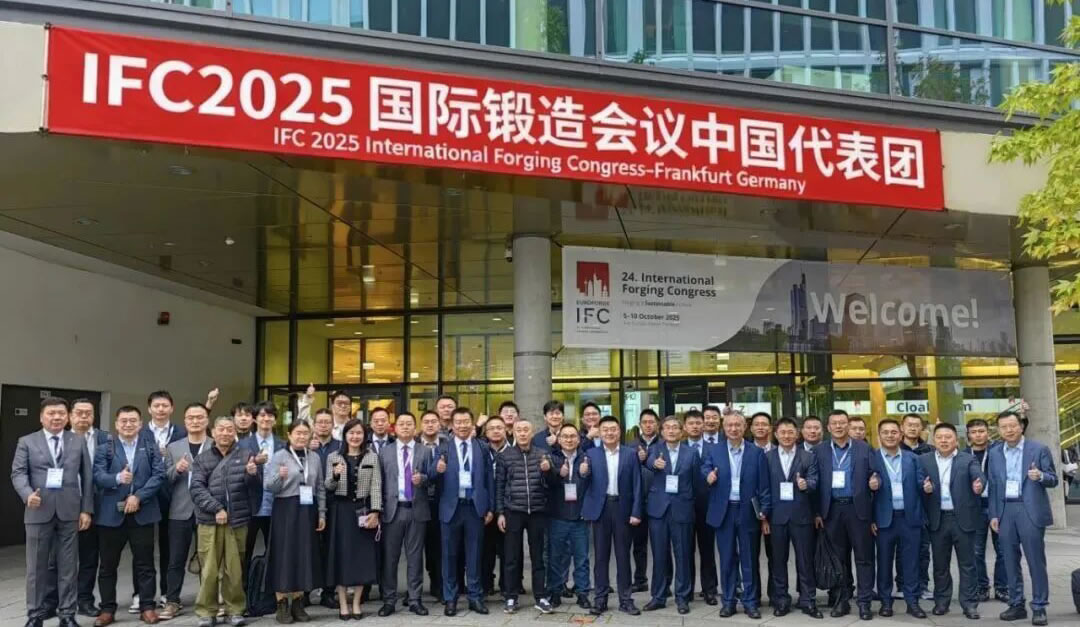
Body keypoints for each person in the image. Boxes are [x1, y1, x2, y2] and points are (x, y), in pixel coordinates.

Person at [13, 397, 94, 627]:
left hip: (70, 511)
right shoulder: (27, 442)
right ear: (41, 417)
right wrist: (27, 494)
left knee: (68, 566)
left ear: (68, 417)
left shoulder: (77, 441)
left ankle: (67, 614)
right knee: (36, 568)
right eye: (51, 413)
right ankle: (35, 615)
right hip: (38, 510)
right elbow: (18, 473)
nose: (56, 417)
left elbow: (87, 477)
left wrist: (86, 510)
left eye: (61, 413)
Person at [93, 406, 166, 627]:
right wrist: (117, 478)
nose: (128, 424)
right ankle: (107, 609)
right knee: (107, 566)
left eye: (133, 420)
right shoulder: (105, 448)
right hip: (111, 515)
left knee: (145, 563)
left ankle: (147, 607)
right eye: (123, 420)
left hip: (142, 513)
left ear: (140, 424)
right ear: (116, 424)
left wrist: (139, 497)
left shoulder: (150, 447)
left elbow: (159, 475)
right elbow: (97, 476)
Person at [188, 417, 260, 627]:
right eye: (221, 429)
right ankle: (206, 612)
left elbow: (254, 488)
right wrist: (216, 508)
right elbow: (196, 488)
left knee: (234, 569)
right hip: (209, 521)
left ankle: (235, 610)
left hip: (237, 521)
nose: (226, 433)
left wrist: (252, 475)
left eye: (230, 429)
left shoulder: (246, 455)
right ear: (213, 432)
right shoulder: (202, 459)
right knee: (209, 569)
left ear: (235, 432)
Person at [988, 411, 1057, 626]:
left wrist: (1041, 476)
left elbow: (1053, 479)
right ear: (998, 430)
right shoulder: (995, 453)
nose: (1009, 430)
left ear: (1021, 426)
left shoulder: (1038, 449)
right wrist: (994, 514)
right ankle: (1016, 604)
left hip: (1030, 510)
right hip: (1005, 509)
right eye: (1004, 427)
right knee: (1009, 560)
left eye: (1012, 426)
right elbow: (993, 485)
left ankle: (1039, 606)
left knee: (1036, 560)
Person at [703, 411, 770, 619]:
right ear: (724, 428)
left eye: (737, 425)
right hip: (724, 511)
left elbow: (764, 485)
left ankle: (750, 602)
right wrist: (708, 475)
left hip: (747, 510)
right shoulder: (714, 450)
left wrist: (764, 511)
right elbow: (704, 467)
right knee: (727, 559)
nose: (733, 429)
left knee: (749, 558)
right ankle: (729, 601)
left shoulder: (756, 452)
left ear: (744, 427)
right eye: (729, 425)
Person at [918, 422, 984, 619]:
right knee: (940, 565)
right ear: (934, 440)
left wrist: (979, 485)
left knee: (968, 564)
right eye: (939, 437)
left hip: (962, 519)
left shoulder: (968, 459)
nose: (944, 440)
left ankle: (969, 604)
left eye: (948, 437)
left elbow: (978, 476)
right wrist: (924, 487)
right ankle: (941, 602)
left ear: (956, 440)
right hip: (938, 519)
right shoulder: (924, 460)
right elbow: (918, 481)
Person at [812, 409, 874, 620]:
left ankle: (864, 602)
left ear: (848, 425)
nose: (838, 426)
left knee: (864, 558)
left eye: (842, 422)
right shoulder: (819, 451)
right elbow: (815, 483)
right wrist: (817, 512)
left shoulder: (864, 448)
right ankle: (842, 600)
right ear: (828, 427)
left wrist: (876, 480)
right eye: (834, 423)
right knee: (838, 559)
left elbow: (875, 474)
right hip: (831, 511)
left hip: (858, 510)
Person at [433, 407, 494, 616]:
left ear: (472, 422)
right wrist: (436, 469)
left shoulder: (482, 447)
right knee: (449, 556)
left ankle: (475, 597)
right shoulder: (443, 447)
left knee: (474, 555)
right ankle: (450, 598)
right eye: (458, 422)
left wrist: (490, 507)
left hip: (474, 508)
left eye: (466, 421)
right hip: (451, 509)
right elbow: (431, 473)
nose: (462, 426)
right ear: (452, 425)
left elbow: (489, 479)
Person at [580, 415, 643, 616]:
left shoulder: (630, 454)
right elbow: (584, 483)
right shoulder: (591, 454)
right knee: (600, 557)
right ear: (599, 432)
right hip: (601, 509)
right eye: (605, 429)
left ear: (619, 431)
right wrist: (583, 472)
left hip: (622, 508)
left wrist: (636, 512)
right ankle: (600, 600)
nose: (609, 433)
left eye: (613, 429)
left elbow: (637, 484)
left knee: (623, 556)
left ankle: (626, 600)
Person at [265, 420, 327, 624]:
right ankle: (282, 603)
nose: (301, 437)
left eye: (305, 433)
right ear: (289, 435)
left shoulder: (314, 457)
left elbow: (320, 487)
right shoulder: (279, 456)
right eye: (298, 433)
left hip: (308, 509)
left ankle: (298, 602)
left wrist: (322, 513)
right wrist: (279, 477)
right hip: (286, 509)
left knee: (304, 554)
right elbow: (269, 486)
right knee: (284, 555)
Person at [495, 421, 554, 614]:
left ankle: (541, 596)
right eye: (518, 430)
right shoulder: (505, 456)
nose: (522, 433)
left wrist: (548, 470)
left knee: (538, 557)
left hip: (537, 511)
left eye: (526, 430)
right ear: (513, 433)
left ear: (532, 432)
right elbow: (499, 486)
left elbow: (552, 483)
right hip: (513, 511)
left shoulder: (542, 454)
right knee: (511, 557)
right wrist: (500, 513)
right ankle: (511, 597)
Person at [159, 403, 212, 620]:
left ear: (207, 420)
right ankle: (172, 601)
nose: (195, 421)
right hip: (179, 511)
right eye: (191, 418)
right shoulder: (174, 447)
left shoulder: (215, 445)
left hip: (207, 511)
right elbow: (164, 479)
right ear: (185, 421)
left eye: (199, 417)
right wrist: (176, 469)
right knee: (176, 559)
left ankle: (207, 601)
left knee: (208, 559)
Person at [324, 420, 382, 620]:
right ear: (345, 435)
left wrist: (376, 511)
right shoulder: (334, 457)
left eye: (359, 433)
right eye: (351, 433)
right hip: (341, 512)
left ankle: (356, 602)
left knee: (361, 559)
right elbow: (328, 486)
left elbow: (376, 485)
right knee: (341, 558)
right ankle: (342, 603)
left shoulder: (372, 457)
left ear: (364, 436)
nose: (355, 437)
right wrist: (335, 475)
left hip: (362, 511)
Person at [868, 419, 925, 619]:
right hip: (883, 520)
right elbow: (865, 493)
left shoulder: (913, 458)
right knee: (884, 562)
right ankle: (885, 602)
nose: (890, 436)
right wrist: (871, 518)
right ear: (879, 436)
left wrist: (927, 487)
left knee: (911, 562)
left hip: (910, 518)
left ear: (900, 435)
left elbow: (921, 483)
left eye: (894, 432)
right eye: (885, 432)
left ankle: (912, 601)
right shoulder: (872, 458)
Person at [765, 417, 821, 619]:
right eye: (783, 432)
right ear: (776, 434)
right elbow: (763, 488)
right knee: (778, 561)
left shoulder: (808, 457)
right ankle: (781, 599)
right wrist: (764, 517)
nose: (787, 436)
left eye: (790, 432)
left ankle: (808, 599)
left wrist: (807, 484)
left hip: (802, 516)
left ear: (797, 434)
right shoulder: (767, 457)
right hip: (776, 517)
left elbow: (815, 480)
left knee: (805, 561)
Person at [378, 412, 432, 617]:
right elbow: (379, 482)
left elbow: (432, 479)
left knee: (415, 558)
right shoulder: (385, 452)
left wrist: (423, 479)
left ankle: (415, 599)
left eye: (409, 423)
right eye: (402, 424)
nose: (406, 427)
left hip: (416, 509)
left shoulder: (425, 451)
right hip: (392, 510)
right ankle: (389, 600)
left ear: (415, 427)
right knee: (390, 558)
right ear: (395, 428)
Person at [642, 416, 697, 614]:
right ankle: (658, 596)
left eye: (675, 428)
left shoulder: (691, 452)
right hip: (659, 510)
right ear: (662, 431)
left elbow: (696, 481)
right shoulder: (654, 450)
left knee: (683, 555)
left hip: (682, 509)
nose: (671, 431)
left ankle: (683, 597)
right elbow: (647, 462)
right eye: (667, 428)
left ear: (682, 432)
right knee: (659, 555)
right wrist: (653, 463)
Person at [139, 392, 186, 612]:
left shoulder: (181, 432)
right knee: (143, 547)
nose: (160, 409)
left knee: (169, 546)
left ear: (171, 408)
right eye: (156, 405)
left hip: (172, 494)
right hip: (147, 494)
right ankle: (141, 595)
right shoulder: (141, 432)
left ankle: (168, 593)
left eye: (165, 405)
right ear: (149, 409)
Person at [70, 398, 110, 618]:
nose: (84, 417)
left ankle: (84, 600)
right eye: (79, 412)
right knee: (59, 558)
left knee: (89, 556)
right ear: (70, 416)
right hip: (65, 505)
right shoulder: (60, 439)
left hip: (97, 506)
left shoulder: (106, 439)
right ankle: (58, 600)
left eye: (88, 413)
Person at [546, 424, 591, 610]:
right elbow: (545, 483)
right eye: (565, 436)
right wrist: (558, 473)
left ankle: (582, 593)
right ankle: (555, 592)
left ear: (579, 439)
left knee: (582, 558)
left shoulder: (587, 458)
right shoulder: (551, 458)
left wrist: (585, 474)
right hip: (557, 515)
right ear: (559, 439)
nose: (569, 439)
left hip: (580, 516)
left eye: (573, 436)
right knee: (555, 557)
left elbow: (593, 485)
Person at [238, 401, 284, 576]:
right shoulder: (243, 444)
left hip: (275, 504)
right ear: (255, 419)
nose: (266, 419)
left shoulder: (283, 444)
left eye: (270, 415)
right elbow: (235, 471)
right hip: (250, 504)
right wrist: (250, 467)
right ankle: (244, 587)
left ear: (275, 420)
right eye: (262, 415)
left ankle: (270, 586)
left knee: (275, 550)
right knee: (245, 550)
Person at [966, 418, 1010, 602]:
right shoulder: (963, 455)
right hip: (974, 509)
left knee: (1003, 550)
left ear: (988, 432)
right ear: (968, 435)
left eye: (981, 431)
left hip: (998, 507)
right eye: (974, 432)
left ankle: (1002, 588)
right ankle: (982, 587)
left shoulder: (999, 451)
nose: (978, 435)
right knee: (976, 551)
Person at [683, 409, 718, 605]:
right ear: (685, 427)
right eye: (691, 423)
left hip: (708, 505)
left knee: (707, 550)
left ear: (703, 425)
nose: (695, 426)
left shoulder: (714, 448)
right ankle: (686, 590)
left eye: (698, 423)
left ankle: (709, 590)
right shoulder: (678, 447)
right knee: (685, 550)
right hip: (684, 506)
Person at [900, 412, 934, 601]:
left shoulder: (930, 450)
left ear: (922, 428)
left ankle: (922, 585)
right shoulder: (895, 448)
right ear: (902, 427)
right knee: (901, 550)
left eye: (916, 425)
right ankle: (902, 585)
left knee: (922, 549)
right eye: (909, 425)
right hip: (900, 508)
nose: (913, 428)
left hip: (924, 507)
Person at [480, 417, 510, 600]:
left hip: (507, 508)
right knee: (485, 550)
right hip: (485, 509)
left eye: (500, 427)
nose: (496, 431)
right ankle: (486, 586)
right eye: (492, 428)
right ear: (486, 432)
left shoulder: (513, 452)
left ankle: (507, 587)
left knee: (508, 551)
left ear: (506, 430)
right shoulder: (481, 452)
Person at [418, 411, 446, 600]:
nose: (430, 425)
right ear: (421, 425)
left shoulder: (447, 445)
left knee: (438, 546)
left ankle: (438, 584)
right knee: (416, 547)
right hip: (419, 501)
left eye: (433, 422)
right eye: (426, 422)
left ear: (439, 425)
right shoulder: (413, 444)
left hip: (440, 501)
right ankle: (414, 589)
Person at [748, 411, 775, 606]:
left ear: (770, 428)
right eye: (756, 424)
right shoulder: (745, 451)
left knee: (775, 556)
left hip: (776, 512)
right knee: (751, 555)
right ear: (750, 428)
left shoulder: (780, 450)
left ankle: (775, 595)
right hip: (750, 511)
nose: (760, 427)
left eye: (764, 424)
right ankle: (754, 595)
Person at [631, 409, 659, 593]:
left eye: (651, 422)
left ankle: (663, 582)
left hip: (659, 501)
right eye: (645, 422)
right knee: (639, 544)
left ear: (657, 424)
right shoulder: (631, 446)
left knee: (660, 545)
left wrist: (648, 459)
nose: (648, 425)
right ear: (640, 425)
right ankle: (640, 579)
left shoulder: (664, 444)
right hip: (638, 501)